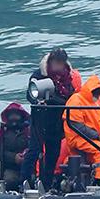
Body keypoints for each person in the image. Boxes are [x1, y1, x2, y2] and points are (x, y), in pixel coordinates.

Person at [22, 48, 81, 188]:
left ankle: (46, 184)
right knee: (34, 151)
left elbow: (70, 98)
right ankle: (24, 182)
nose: (58, 66)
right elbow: (30, 95)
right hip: (40, 119)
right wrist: (38, 101)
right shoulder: (39, 75)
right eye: (56, 62)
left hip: (56, 122)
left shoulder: (68, 79)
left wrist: (56, 101)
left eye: (60, 63)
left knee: (52, 154)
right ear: (50, 61)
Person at [0, 103, 31, 192]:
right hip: (12, 168)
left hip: (30, 167)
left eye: (16, 115)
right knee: (10, 180)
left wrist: (26, 156)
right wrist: (14, 157)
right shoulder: (3, 133)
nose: (14, 117)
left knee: (33, 180)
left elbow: (38, 148)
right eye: (11, 115)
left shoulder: (30, 130)